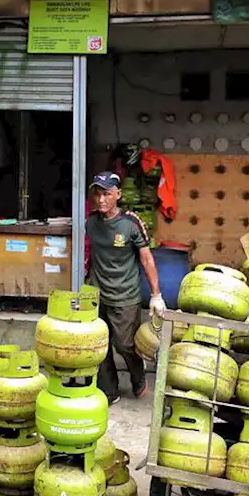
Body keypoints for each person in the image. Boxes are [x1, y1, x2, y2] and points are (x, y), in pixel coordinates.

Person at [86, 172, 165, 405]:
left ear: (118, 195)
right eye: (98, 194)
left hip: (125, 295)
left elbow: (147, 259)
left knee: (125, 344)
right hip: (97, 293)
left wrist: (156, 295)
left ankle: (138, 376)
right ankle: (109, 391)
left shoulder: (131, 223)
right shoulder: (90, 222)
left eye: (107, 194)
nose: (101, 199)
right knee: (100, 345)